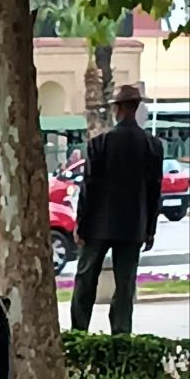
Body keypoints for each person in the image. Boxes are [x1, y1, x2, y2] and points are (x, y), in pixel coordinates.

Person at [70, 83, 164, 335]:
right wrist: (150, 229)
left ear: (118, 109)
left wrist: (81, 223)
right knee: (125, 285)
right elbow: (155, 191)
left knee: (86, 280)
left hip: (97, 225)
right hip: (133, 226)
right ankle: (121, 335)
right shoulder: (153, 145)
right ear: (136, 107)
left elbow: (89, 187)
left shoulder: (101, 143)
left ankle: (79, 333)